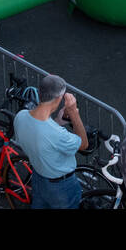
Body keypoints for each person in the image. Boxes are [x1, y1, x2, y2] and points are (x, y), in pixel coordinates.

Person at [11, 74, 89, 209]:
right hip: (62, 187)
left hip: (38, 176)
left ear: (39, 92)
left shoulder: (21, 116)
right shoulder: (58, 134)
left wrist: (58, 122)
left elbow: (41, 133)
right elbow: (83, 144)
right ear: (59, 99)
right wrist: (73, 113)